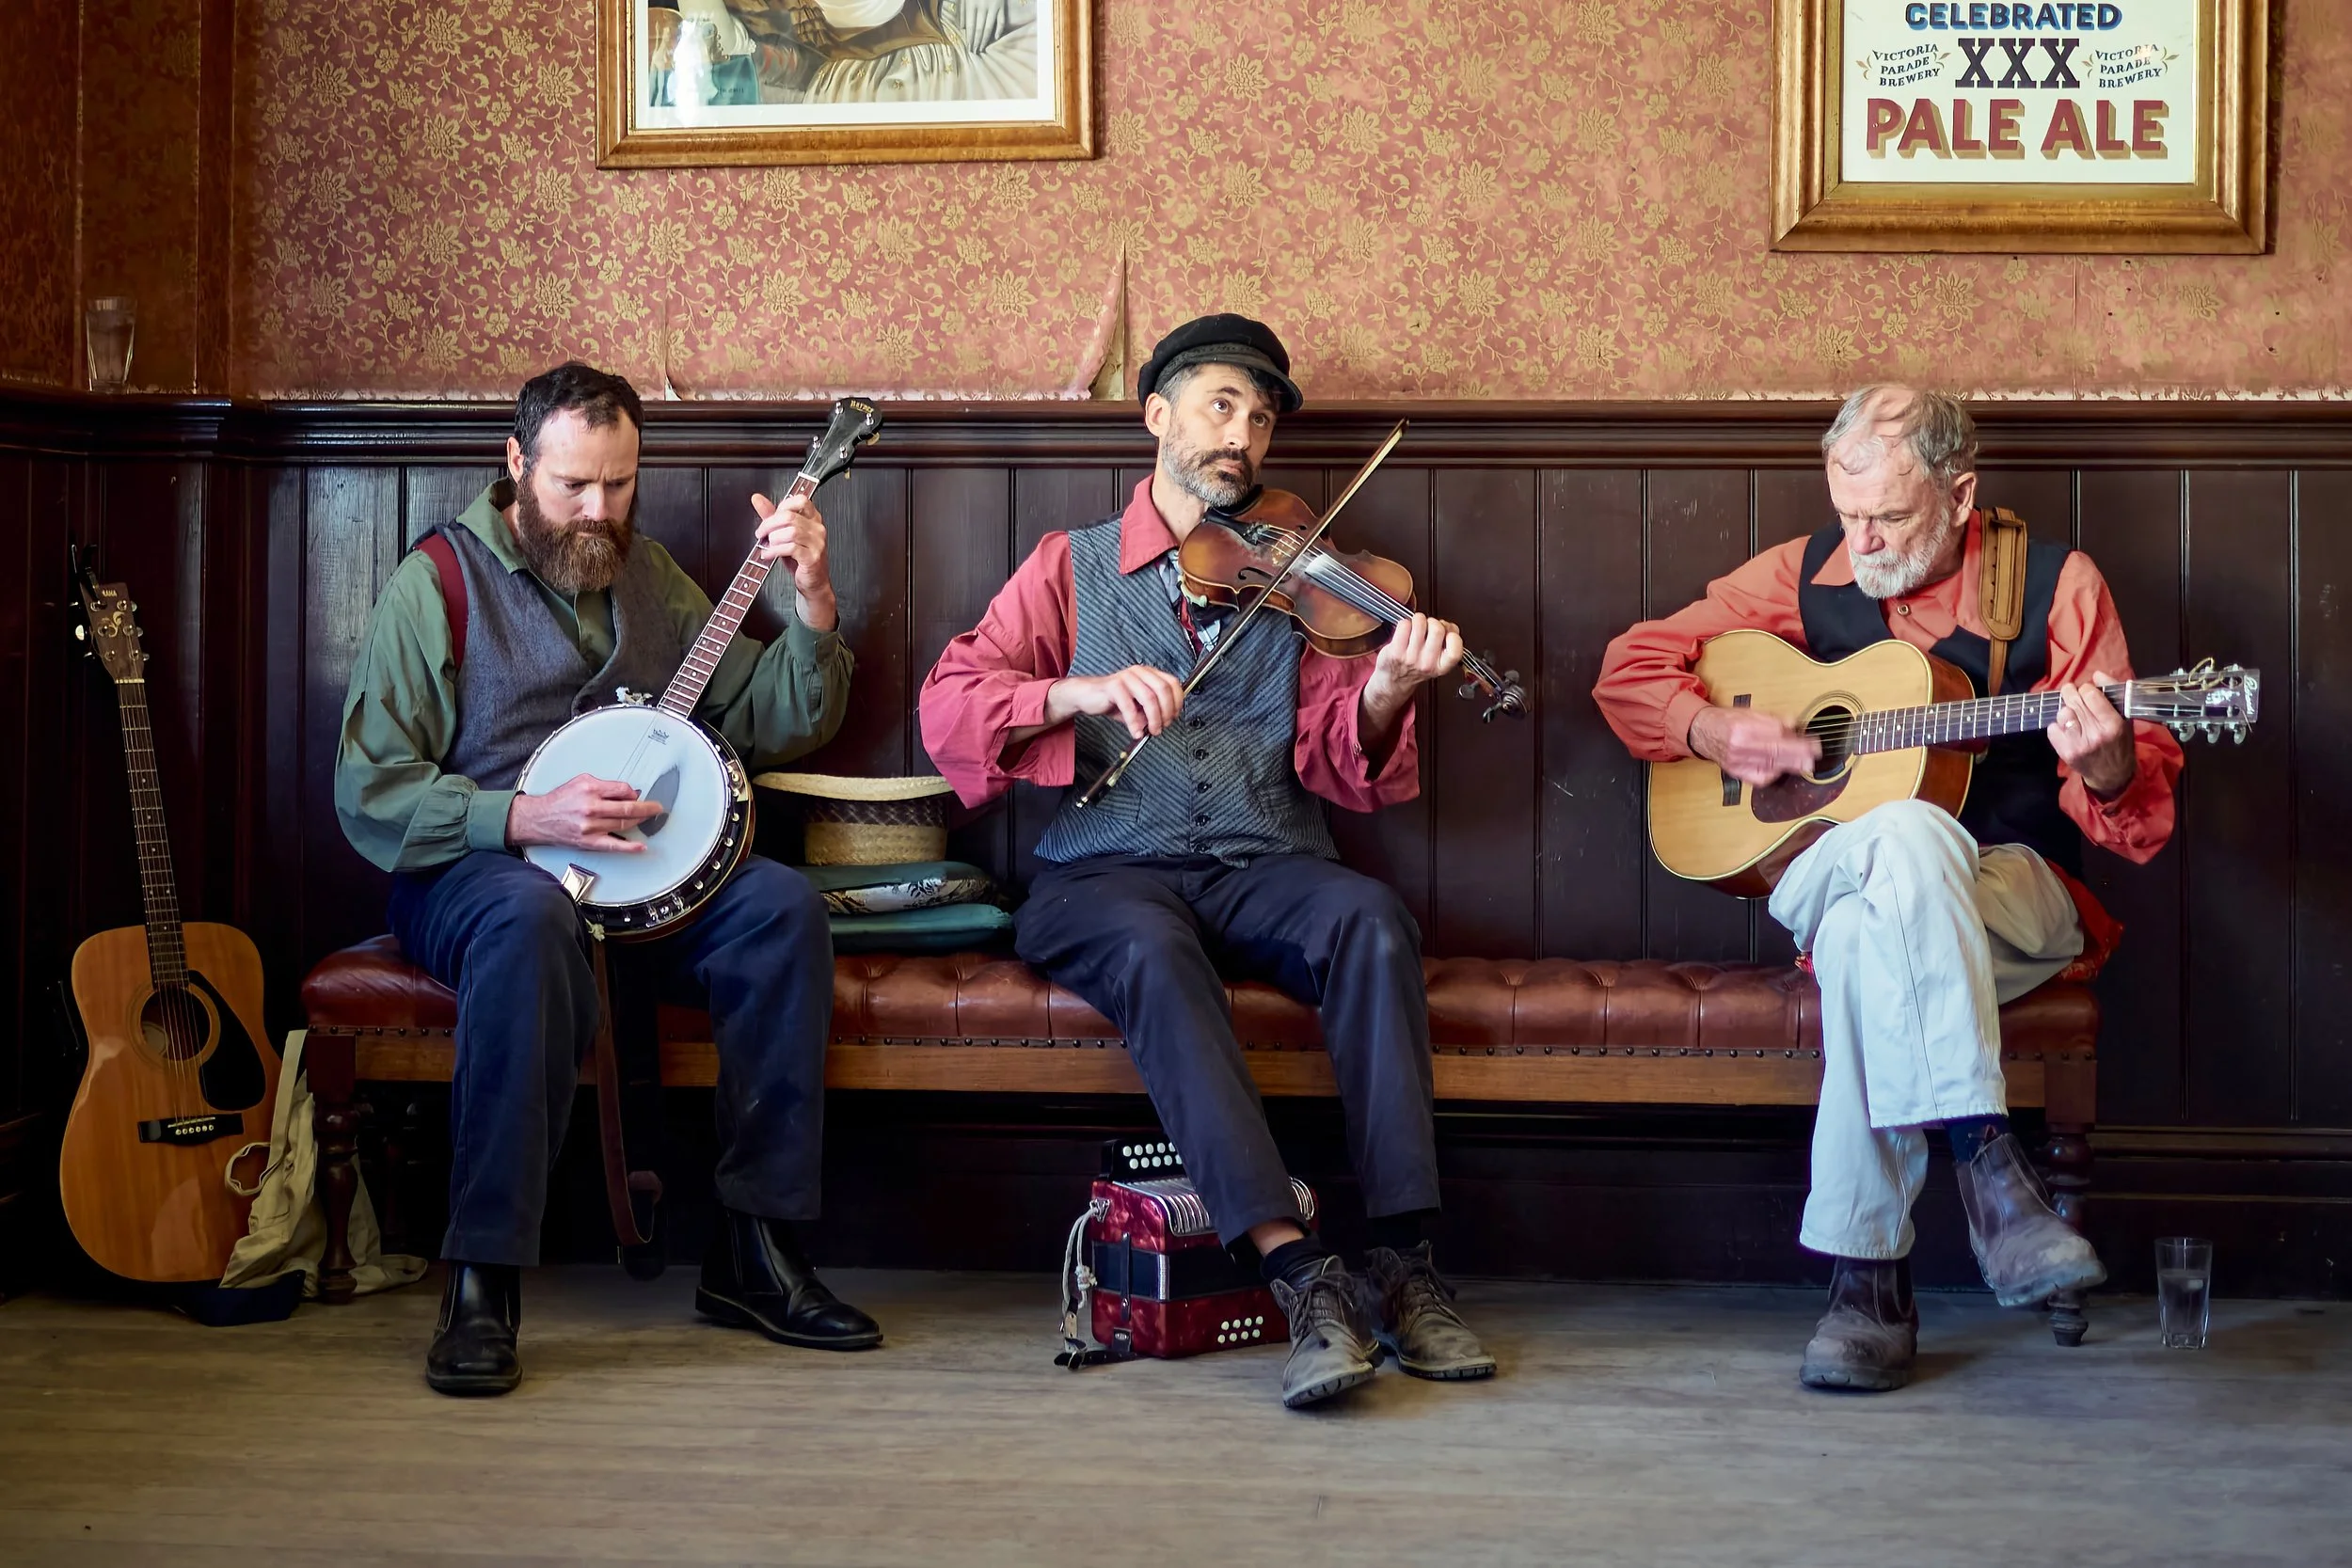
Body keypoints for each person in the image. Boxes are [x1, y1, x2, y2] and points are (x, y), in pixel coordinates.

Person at [918, 315, 1496, 1409]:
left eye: (1262, 415)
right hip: (1101, 872)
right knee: (1148, 942)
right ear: (1158, 416)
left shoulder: (1308, 577)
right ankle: (1296, 1270)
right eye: (1223, 404)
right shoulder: (1069, 567)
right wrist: (1075, 693)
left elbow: (1340, 757)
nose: (1245, 432)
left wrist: (1383, 689)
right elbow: (949, 700)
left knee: (1369, 919)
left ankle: (1406, 1263)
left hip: (1261, 857)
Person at [1593, 386, 2184, 1392]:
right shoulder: (1803, 571)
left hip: (2013, 884)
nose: (1860, 539)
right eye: (1847, 512)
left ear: (1959, 494)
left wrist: (2108, 764)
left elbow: (2136, 816)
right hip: (1828, 867)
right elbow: (1627, 667)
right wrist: (1712, 730)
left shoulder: (2051, 584)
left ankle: (1865, 1282)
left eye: (1889, 518)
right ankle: (1987, 1165)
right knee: (1897, 838)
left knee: (1882, 919)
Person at [335, 362, 880, 1396]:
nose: (598, 509)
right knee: (530, 921)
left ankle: (752, 1250)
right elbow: (370, 790)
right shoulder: (435, 583)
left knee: (777, 909)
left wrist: (810, 598)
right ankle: (483, 1274)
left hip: (645, 876)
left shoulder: (652, 573)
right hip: (477, 871)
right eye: (573, 485)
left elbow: (773, 718)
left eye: (619, 486)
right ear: (515, 463)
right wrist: (520, 815)